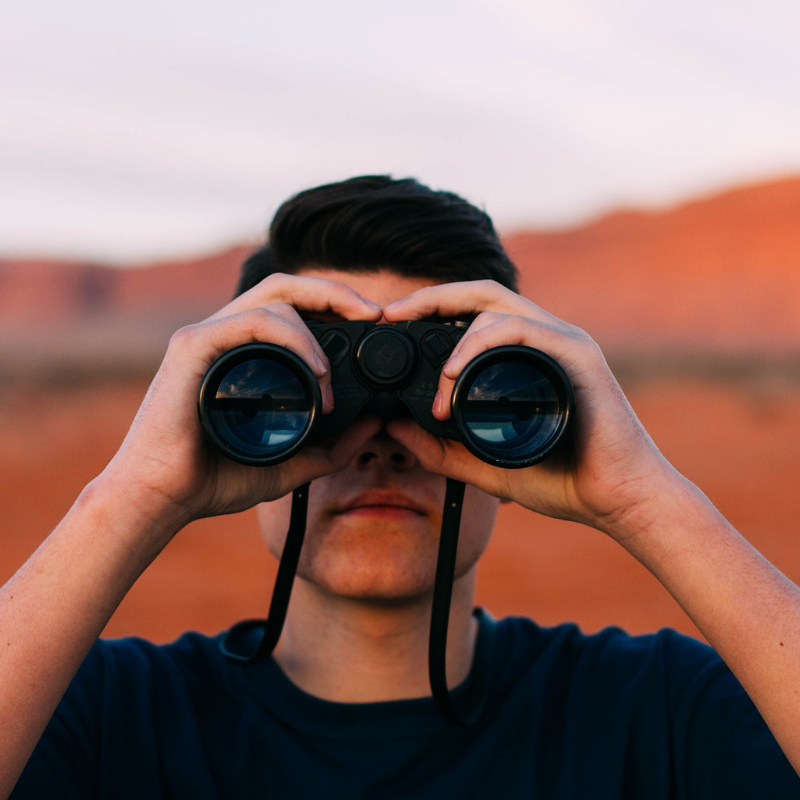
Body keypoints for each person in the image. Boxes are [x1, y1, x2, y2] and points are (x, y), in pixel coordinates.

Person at [3, 175, 799, 798]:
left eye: (469, 398)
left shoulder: (659, 714)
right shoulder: (100, 715)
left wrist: (645, 495)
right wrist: (133, 494)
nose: (382, 444)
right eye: (297, 397)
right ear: (212, 411)